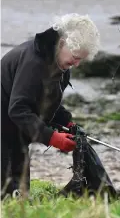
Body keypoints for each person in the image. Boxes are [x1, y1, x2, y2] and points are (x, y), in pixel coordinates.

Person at [1, 13, 100, 199]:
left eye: (81, 60)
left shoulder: (61, 66)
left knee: (20, 192)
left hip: (18, 134)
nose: (76, 64)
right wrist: (52, 138)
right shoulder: (34, 63)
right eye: (75, 57)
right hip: (3, 129)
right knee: (6, 193)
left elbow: (46, 102)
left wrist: (67, 123)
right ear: (62, 43)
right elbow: (19, 109)